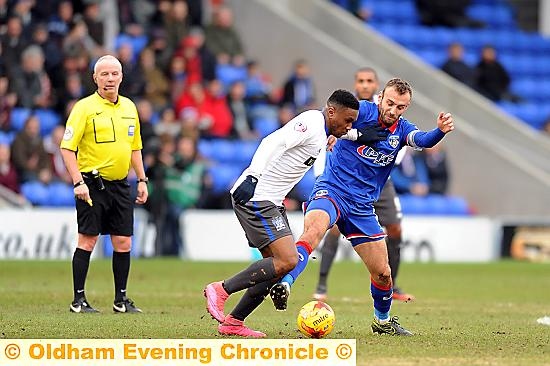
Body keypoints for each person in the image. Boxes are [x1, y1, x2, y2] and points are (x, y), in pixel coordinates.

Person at [271, 78, 454, 336]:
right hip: (332, 190)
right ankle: (285, 284)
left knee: (383, 274)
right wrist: (352, 134)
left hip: (362, 206)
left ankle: (382, 321)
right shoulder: (362, 111)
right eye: (390, 103)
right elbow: (332, 122)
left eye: (400, 107)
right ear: (381, 97)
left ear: (406, 107)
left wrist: (440, 131)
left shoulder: (402, 130)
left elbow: (422, 140)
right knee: (313, 232)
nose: (393, 110)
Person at [203, 89, 387, 338]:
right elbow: (271, 142)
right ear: (331, 112)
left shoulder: (324, 133)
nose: (349, 126)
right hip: (258, 197)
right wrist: (254, 176)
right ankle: (221, 289)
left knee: (276, 268)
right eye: (347, 120)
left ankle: (234, 322)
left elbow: (337, 140)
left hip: (271, 201)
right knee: (288, 260)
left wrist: (359, 134)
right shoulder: (311, 123)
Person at [313, 68, 415, 303]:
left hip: (380, 182)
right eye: (361, 81)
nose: (365, 85)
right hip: (347, 182)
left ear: (377, 87)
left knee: (396, 230)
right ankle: (321, 283)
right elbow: (331, 129)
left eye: (370, 81)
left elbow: (401, 147)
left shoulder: (395, 120)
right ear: (356, 85)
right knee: (334, 227)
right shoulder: (353, 112)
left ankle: (393, 285)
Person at [60, 55, 149, 314]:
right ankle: (78, 300)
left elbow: (135, 148)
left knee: (123, 242)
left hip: (121, 184)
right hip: (91, 182)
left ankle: (120, 300)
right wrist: (78, 182)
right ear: (95, 78)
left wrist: (142, 179)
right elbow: (67, 148)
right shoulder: (84, 108)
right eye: (104, 74)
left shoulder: (130, 108)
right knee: (87, 240)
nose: (110, 79)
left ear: (121, 77)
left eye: (114, 74)